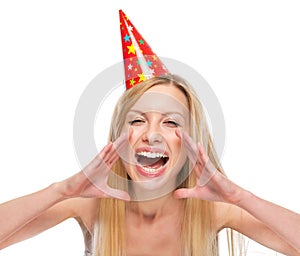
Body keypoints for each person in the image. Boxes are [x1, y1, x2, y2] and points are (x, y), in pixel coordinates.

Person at [0, 74, 300, 256]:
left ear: (190, 143)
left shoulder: (213, 211)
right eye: (137, 120)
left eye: (170, 122)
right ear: (120, 138)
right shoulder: (90, 206)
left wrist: (240, 197)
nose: (152, 135)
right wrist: (61, 191)